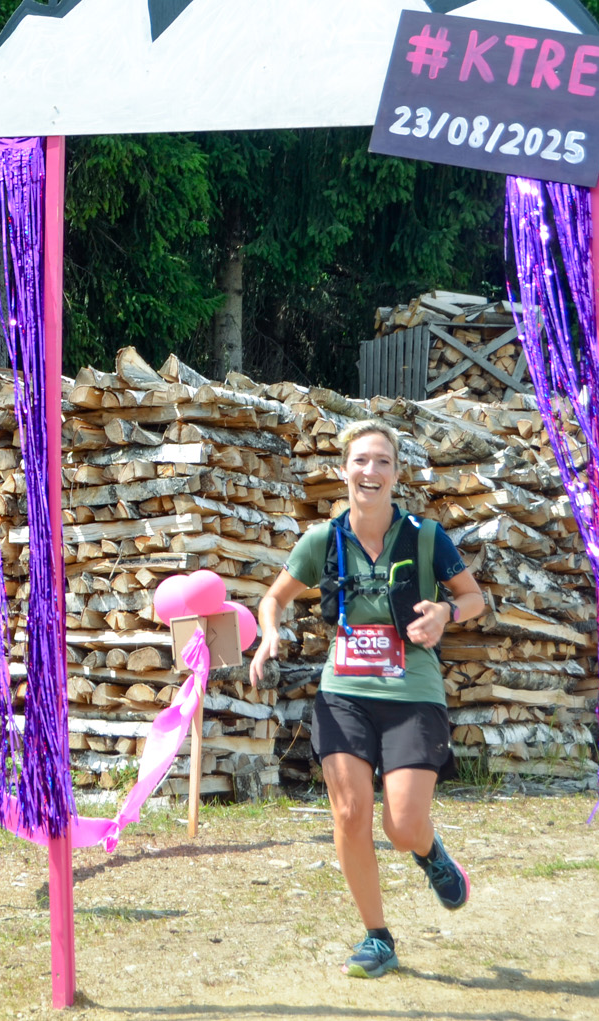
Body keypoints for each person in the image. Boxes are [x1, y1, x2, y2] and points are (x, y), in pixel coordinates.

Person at [247, 419, 485, 978]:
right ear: (343, 471)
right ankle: (377, 937)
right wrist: (270, 632)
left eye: (382, 461)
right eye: (360, 460)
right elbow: (273, 599)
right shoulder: (322, 541)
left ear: (396, 474)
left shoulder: (426, 538)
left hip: (413, 693)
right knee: (351, 812)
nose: (370, 470)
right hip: (344, 694)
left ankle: (430, 852)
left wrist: (446, 611)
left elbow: (474, 598)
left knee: (401, 827)